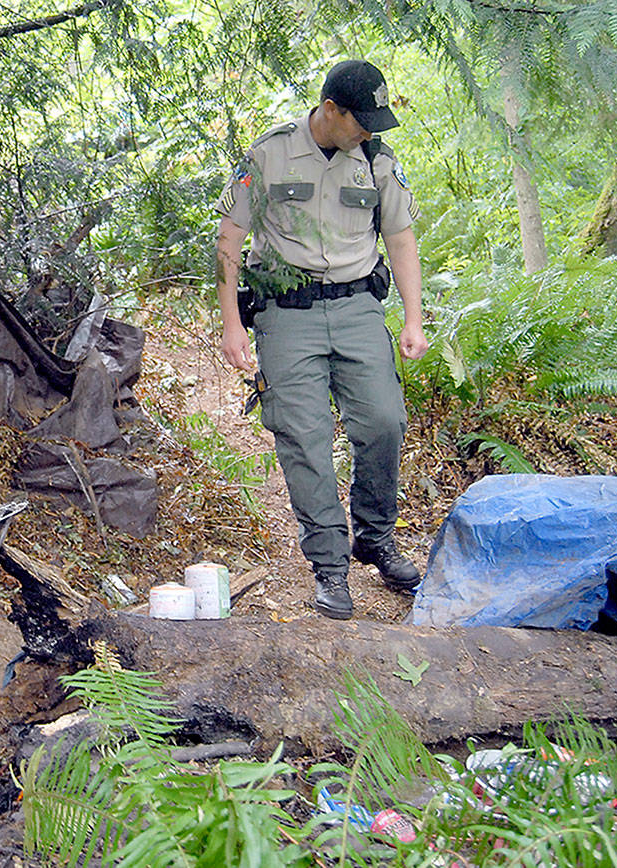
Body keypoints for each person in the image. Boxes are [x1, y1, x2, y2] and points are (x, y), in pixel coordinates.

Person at [213, 59, 429, 620]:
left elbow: (401, 239)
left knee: (384, 421)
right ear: (330, 110)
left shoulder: (378, 160)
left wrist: (413, 318)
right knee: (304, 440)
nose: (370, 131)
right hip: (287, 315)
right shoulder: (269, 155)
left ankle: (375, 537)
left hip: (359, 307)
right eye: (362, 120)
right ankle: (329, 565)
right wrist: (231, 323)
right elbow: (230, 237)